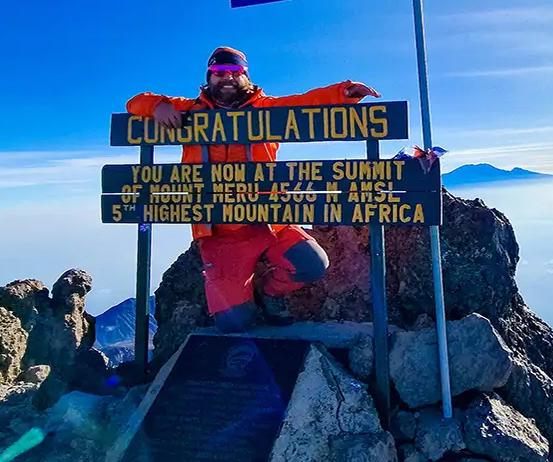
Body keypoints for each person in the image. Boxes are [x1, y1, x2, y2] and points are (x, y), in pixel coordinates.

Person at [125, 47, 380, 333]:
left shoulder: (266, 108)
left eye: (235, 72)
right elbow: (135, 103)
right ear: (209, 76)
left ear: (246, 75)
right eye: (220, 73)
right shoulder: (189, 109)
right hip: (220, 233)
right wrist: (158, 105)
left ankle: (271, 292)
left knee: (312, 264)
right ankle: (246, 295)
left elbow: (306, 103)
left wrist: (344, 92)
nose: (227, 78)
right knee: (235, 323)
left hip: (271, 220)